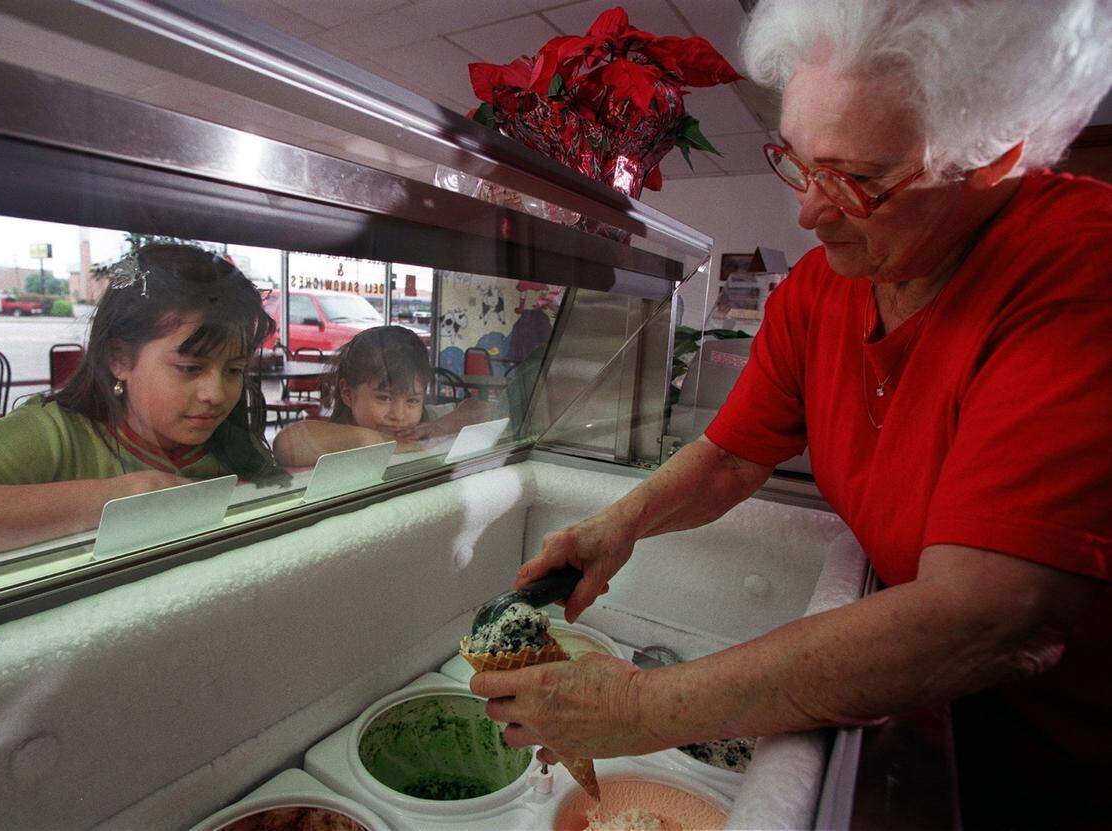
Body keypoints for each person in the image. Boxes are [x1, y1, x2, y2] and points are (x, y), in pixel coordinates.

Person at [467, 2, 1112, 828]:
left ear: (994, 161)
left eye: (856, 180)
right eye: (798, 163)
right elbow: (733, 457)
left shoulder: (1079, 269)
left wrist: (635, 709)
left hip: (1065, 755)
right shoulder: (821, 290)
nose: (808, 212)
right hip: (926, 718)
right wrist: (617, 527)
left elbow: (985, 615)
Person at [0, 243, 277, 557]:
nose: (215, 394)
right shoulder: (55, 434)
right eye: (190, 368)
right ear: (119, 359)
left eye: (234, 370)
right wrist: (116, 497)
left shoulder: (235, 445)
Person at [271, 326, 493, 467]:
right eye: (384, 398)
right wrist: (378, 441)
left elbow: (482, 409)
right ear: (347, 393)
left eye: (412, 400)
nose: (399, 415)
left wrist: (441, 427)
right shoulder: (337, 437)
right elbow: (285, 444)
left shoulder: (427, 423)